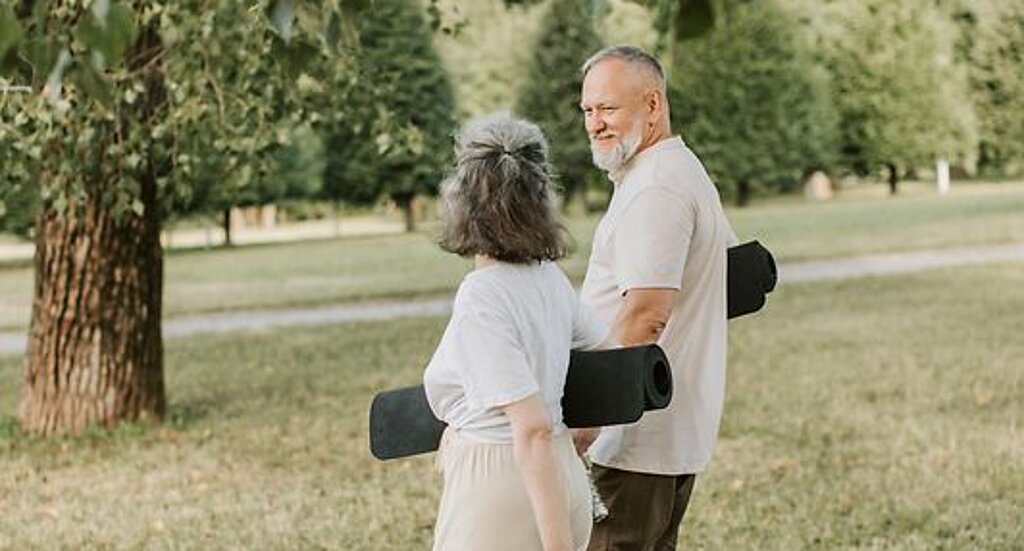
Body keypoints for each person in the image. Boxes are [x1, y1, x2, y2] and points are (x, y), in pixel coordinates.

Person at [573, 45, 737, 550]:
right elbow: (736, 276)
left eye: (609, 108)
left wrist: (585, 424)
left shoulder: (656, 189)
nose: (595, 123)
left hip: (632, 439)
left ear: (652, 106)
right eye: (588, 110)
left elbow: (645, 316)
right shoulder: (675, 169)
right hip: (660, 430)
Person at [423, 113, 611, 551]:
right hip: (560, 475)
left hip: (503, 489)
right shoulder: (548, 279)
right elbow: (610, 356)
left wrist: (557, 545)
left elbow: (531, 427)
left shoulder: (482, 296)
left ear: (461, 198)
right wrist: (585, 433)